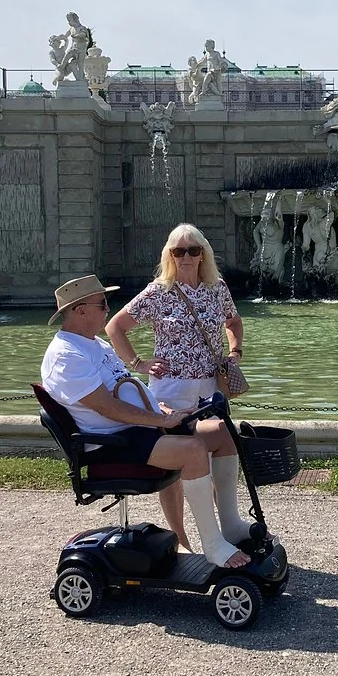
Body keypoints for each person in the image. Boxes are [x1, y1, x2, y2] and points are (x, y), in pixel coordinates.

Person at [42, 273, 249, 568]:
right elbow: (108, 408)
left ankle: (230, 525)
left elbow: (125, 388)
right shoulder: (67, 355)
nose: (108, 309)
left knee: (220, 431)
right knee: (191, 450)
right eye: (102, 304)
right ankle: (213, 545)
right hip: (113, 443)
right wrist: (156, 419)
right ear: (80, 310)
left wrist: (160, 410)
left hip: (135, 431)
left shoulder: (96, 345)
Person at [106, 224, 245, 553]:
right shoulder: (159, 291)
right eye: (178, 251)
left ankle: (226, 530)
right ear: (169, 255)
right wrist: (138, 363)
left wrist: (235, 352)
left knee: (215, 453)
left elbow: (233, 321)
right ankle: (180, 538)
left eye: (192, 250)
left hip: (211, 387)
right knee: (178, 463)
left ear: (203, 254)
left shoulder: (216, 287)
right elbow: (115, 327)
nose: (185, 256)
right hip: (171, 390)